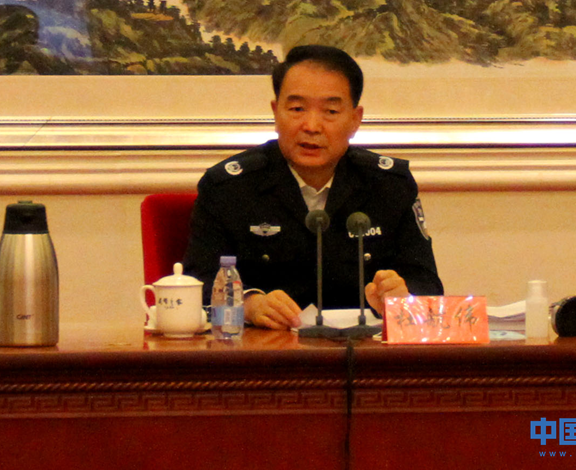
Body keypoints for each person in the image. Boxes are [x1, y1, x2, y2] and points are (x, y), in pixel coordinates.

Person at [183, 45, 443, 330]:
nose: (311, 125)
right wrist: (248, 304)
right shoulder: (228, 188)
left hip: (363, 350)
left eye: (330, 111)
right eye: (297, 109)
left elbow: (428, 287)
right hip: (266, 350)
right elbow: (196, 287)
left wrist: (401, 297)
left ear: (355, 120)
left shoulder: (390, 186)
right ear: (276, 112)